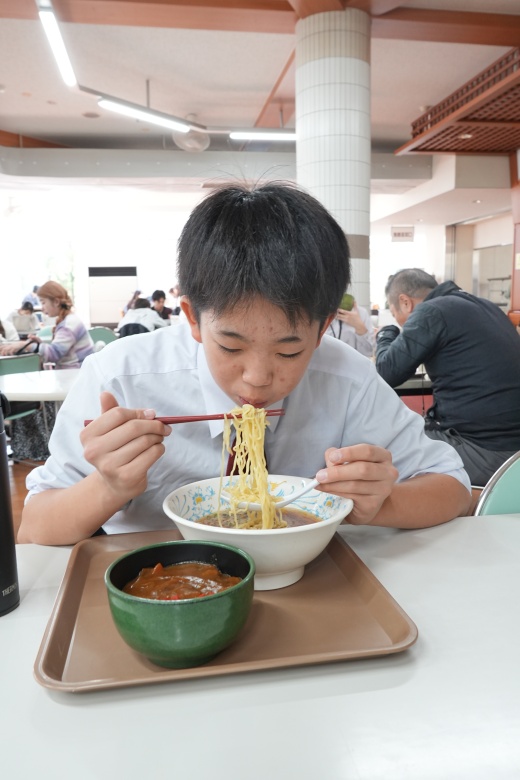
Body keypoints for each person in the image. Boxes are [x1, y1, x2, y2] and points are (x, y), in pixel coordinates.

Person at [19, 184, 471, 545]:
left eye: (289, 352)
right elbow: (35, 526)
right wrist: (109, 487)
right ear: (193, 318)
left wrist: (379, 503)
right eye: (231, 347)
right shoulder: (120, 378)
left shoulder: (346, 377)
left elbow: (453, 488)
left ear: (322, 330)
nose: (257, 379)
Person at [375, 268, 520, 487]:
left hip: (486, 452)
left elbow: (386, 372)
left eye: (396, 316)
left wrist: (386, 334)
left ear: (405, 302)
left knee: (386, 445)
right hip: (512, 450)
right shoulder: (487, 307)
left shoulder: (431, 311)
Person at [1, 281, 94, 369]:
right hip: (74, 371)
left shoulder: (69, 324)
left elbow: (54, 354)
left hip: (75, 373)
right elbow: (59, 350)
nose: (42, 308)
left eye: (43, 302)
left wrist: (26, 345)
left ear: (56, 302)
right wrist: (39, 344)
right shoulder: (69, 320)